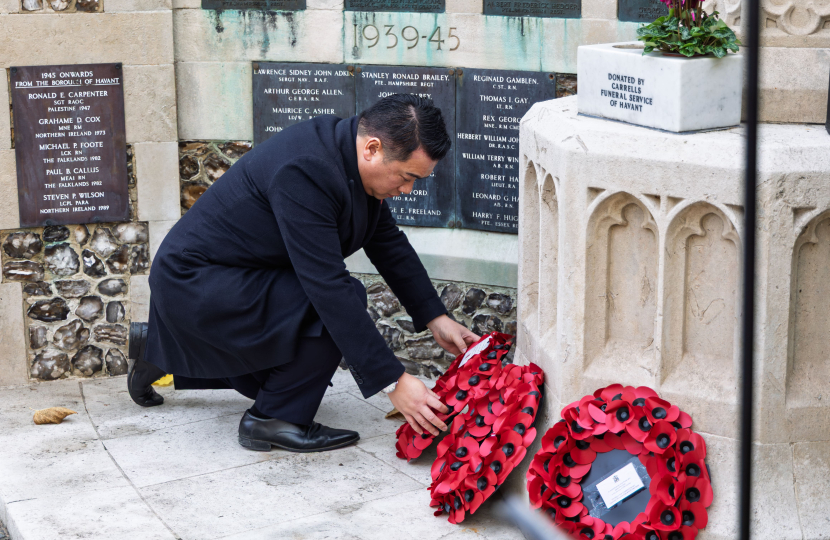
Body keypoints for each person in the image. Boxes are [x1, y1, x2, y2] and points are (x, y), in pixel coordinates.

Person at [127, 94, 479, 453]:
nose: (407, 190)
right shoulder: (306, 169)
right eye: (407, 177)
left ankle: (157, 348)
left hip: (235, 277)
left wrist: (436, 317)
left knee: (287, 365)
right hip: (196, 282)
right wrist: (394, 381)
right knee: (332, 308)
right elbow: (326, 284)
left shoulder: (348, 155)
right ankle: (272, 419)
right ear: (373, 148)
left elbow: (388, 244)